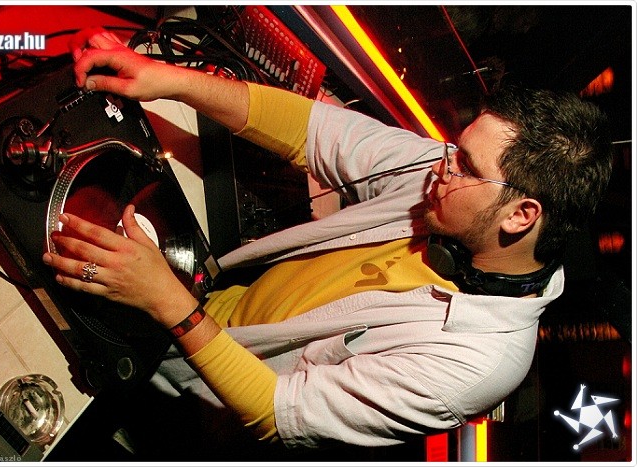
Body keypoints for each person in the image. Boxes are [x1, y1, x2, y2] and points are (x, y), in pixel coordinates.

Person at [42, 27, 613, 454]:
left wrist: (167, 302)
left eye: (465, 164)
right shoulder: (452, 185)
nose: (441, 165)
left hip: (186, 402)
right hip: (196, 301)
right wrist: (169, 80)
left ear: (521, 216)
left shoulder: (477, 363)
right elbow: (316, 131)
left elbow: (275, 412)